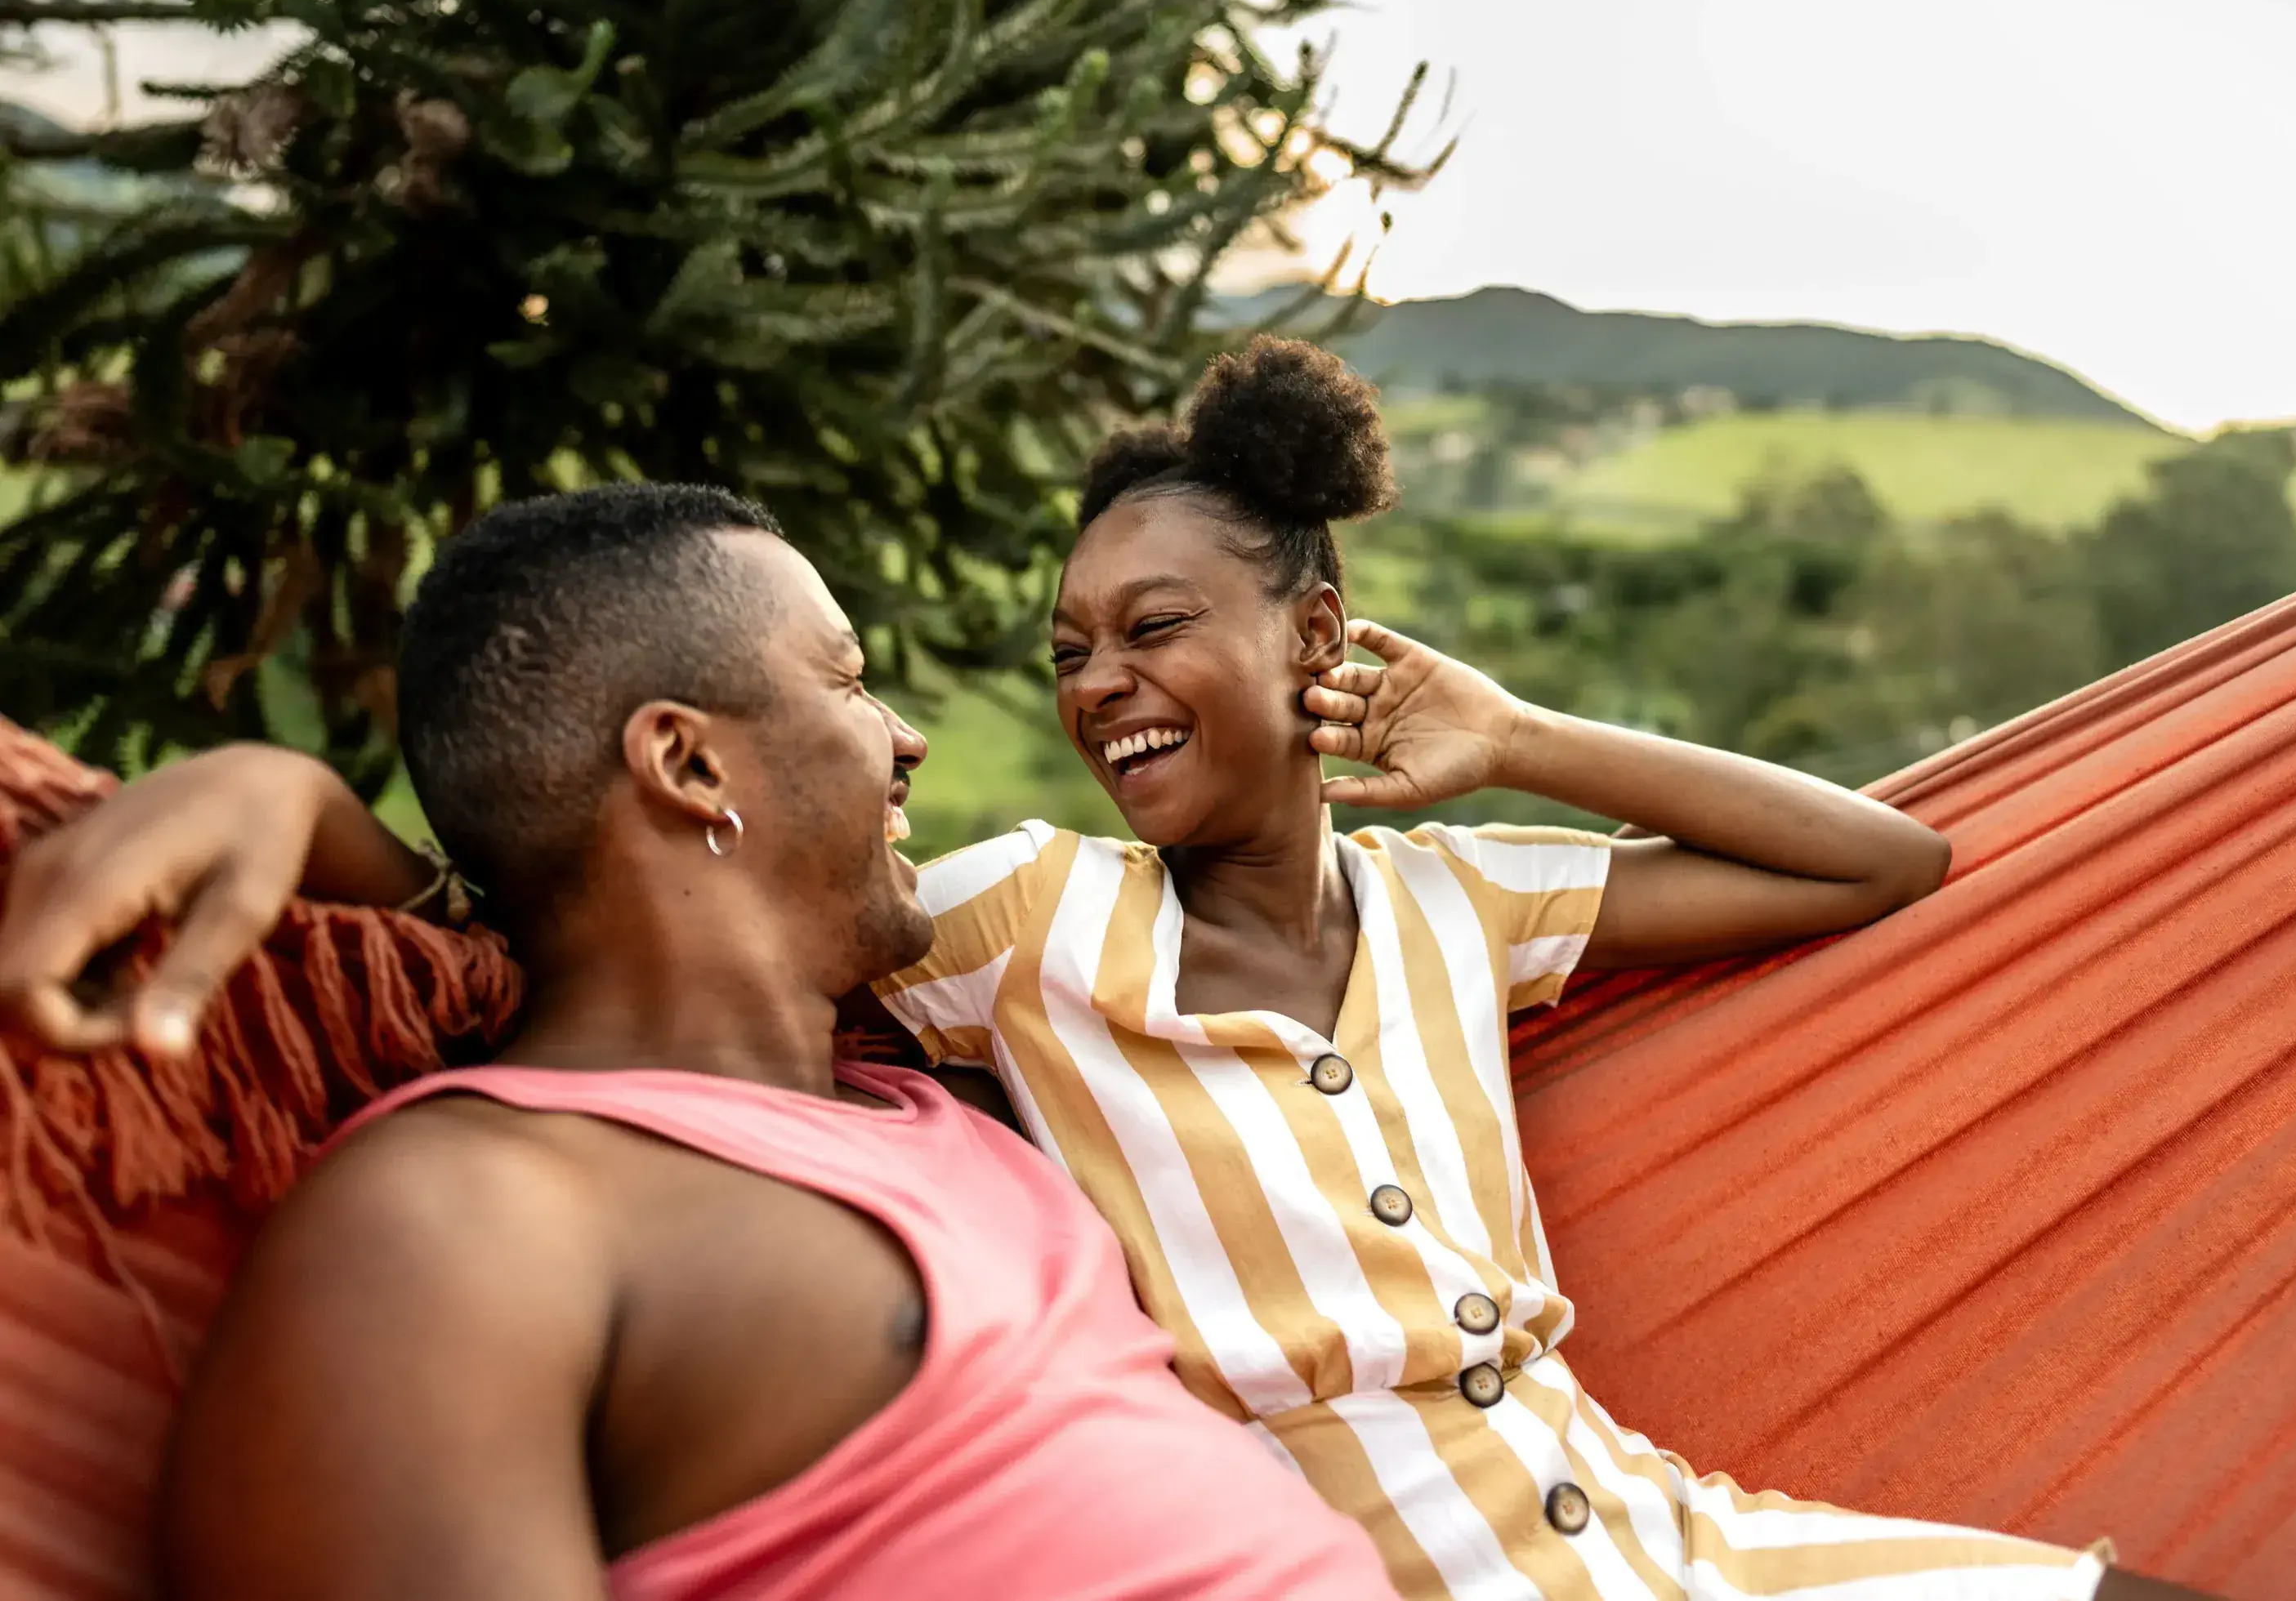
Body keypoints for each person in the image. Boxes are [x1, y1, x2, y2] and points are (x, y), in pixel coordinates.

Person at [0, 351, 2218, 1601]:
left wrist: (1521, 738)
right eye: (1040, 648)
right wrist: (288, 798)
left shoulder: (1409, 927)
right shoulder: (996, 941)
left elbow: (1885, 860)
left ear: (1315, 646)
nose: (956, 720)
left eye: (1148, 629)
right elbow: (522, 927)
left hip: (1681, 1543)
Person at [6, 486, 1400, 1599]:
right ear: (687, 763)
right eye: (850, 683)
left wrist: (310, 803)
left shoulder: (958, 1086)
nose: (907, 739)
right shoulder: (467, 1221)